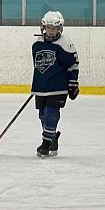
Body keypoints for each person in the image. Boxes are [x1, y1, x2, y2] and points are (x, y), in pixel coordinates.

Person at [31, 11, 79, 158]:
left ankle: (46, 142)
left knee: (51, 113)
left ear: (60, 28)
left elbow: (73, 64)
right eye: (48, 28)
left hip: (58, 86)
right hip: (41, 86)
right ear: (43, 28)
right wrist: (39, 82)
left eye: (55, 28)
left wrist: (73, 83)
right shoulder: (37, 44)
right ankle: (52, 140)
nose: (51, 31)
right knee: (42, 115)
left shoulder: (65, 43)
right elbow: (38, 65)